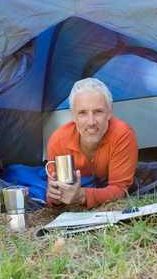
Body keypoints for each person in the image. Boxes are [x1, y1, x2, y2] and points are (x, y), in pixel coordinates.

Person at [46, 78, 138, 209]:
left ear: (110, 111)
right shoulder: (58, 141)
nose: (91, 122)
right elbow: (53, 196)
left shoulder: (123, 135)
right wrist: (55, 197)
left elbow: (120, 189)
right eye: (82, 113)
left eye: (98, 112)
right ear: (72, 114)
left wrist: (83, 196)